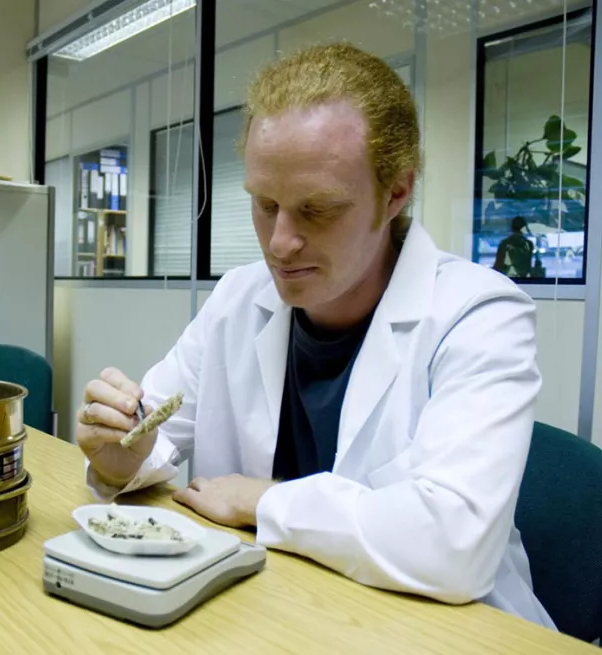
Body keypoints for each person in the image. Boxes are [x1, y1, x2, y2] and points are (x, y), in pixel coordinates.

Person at [76, 43, 555, 629]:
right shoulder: (236, 300)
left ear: (396, 192)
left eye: (318, 209)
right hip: (279, 615)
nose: (280, 243)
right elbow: (153, 440)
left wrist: (262, 500)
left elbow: (452, 544)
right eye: (264, 204)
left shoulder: (480, 315)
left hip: (449, 631)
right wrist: (122, 456)